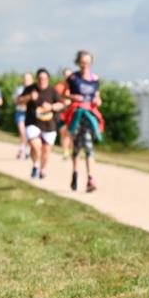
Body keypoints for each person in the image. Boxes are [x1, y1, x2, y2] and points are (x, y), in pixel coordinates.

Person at [61, 50, 104, 192]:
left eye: (87, 62)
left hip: (90, 115)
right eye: (82, 62)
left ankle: (90, 179)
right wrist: (73, 97)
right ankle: (75, 172)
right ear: (78, 63)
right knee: (77, 146)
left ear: (91, 63)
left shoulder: (95, 79)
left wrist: (98, 101)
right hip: (76, 115)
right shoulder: (73, 78)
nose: (85, 65)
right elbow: (64, 94)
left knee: (89, 145)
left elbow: (98, 97)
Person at [17, 68, 65, 179]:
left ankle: (43, 169)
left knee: (46, 150)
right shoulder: (30, 89)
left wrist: (51, 107)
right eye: (40, 78)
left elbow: (61, 105)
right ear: (37, 79)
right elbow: (18, 101)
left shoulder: (53, 91)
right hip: (32, 122)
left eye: (44, 78)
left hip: (49, 124)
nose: (42, 80)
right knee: (35, 145)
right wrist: (29, 97)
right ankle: (35, 165)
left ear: (48, 79)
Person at [54, 67, 74, 160]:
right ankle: (65, 151)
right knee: (63, 132)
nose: (68, 77)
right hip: (62, 113)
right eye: (66, 75)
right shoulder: (58, 87)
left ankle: (72, 151)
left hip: (73, 112)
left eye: (69, 75)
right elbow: (54, 99)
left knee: (72, 133)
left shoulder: (75, 86)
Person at [13, 72, 34, 160]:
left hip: (30, 114)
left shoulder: (34, 90)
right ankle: (23, 148)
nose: (26, 81)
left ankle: (25, 149)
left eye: (28, 79)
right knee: (22, 132)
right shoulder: (19, 89)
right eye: (25, 79)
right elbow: (15, 101)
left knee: (29, 133)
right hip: (20, 113)